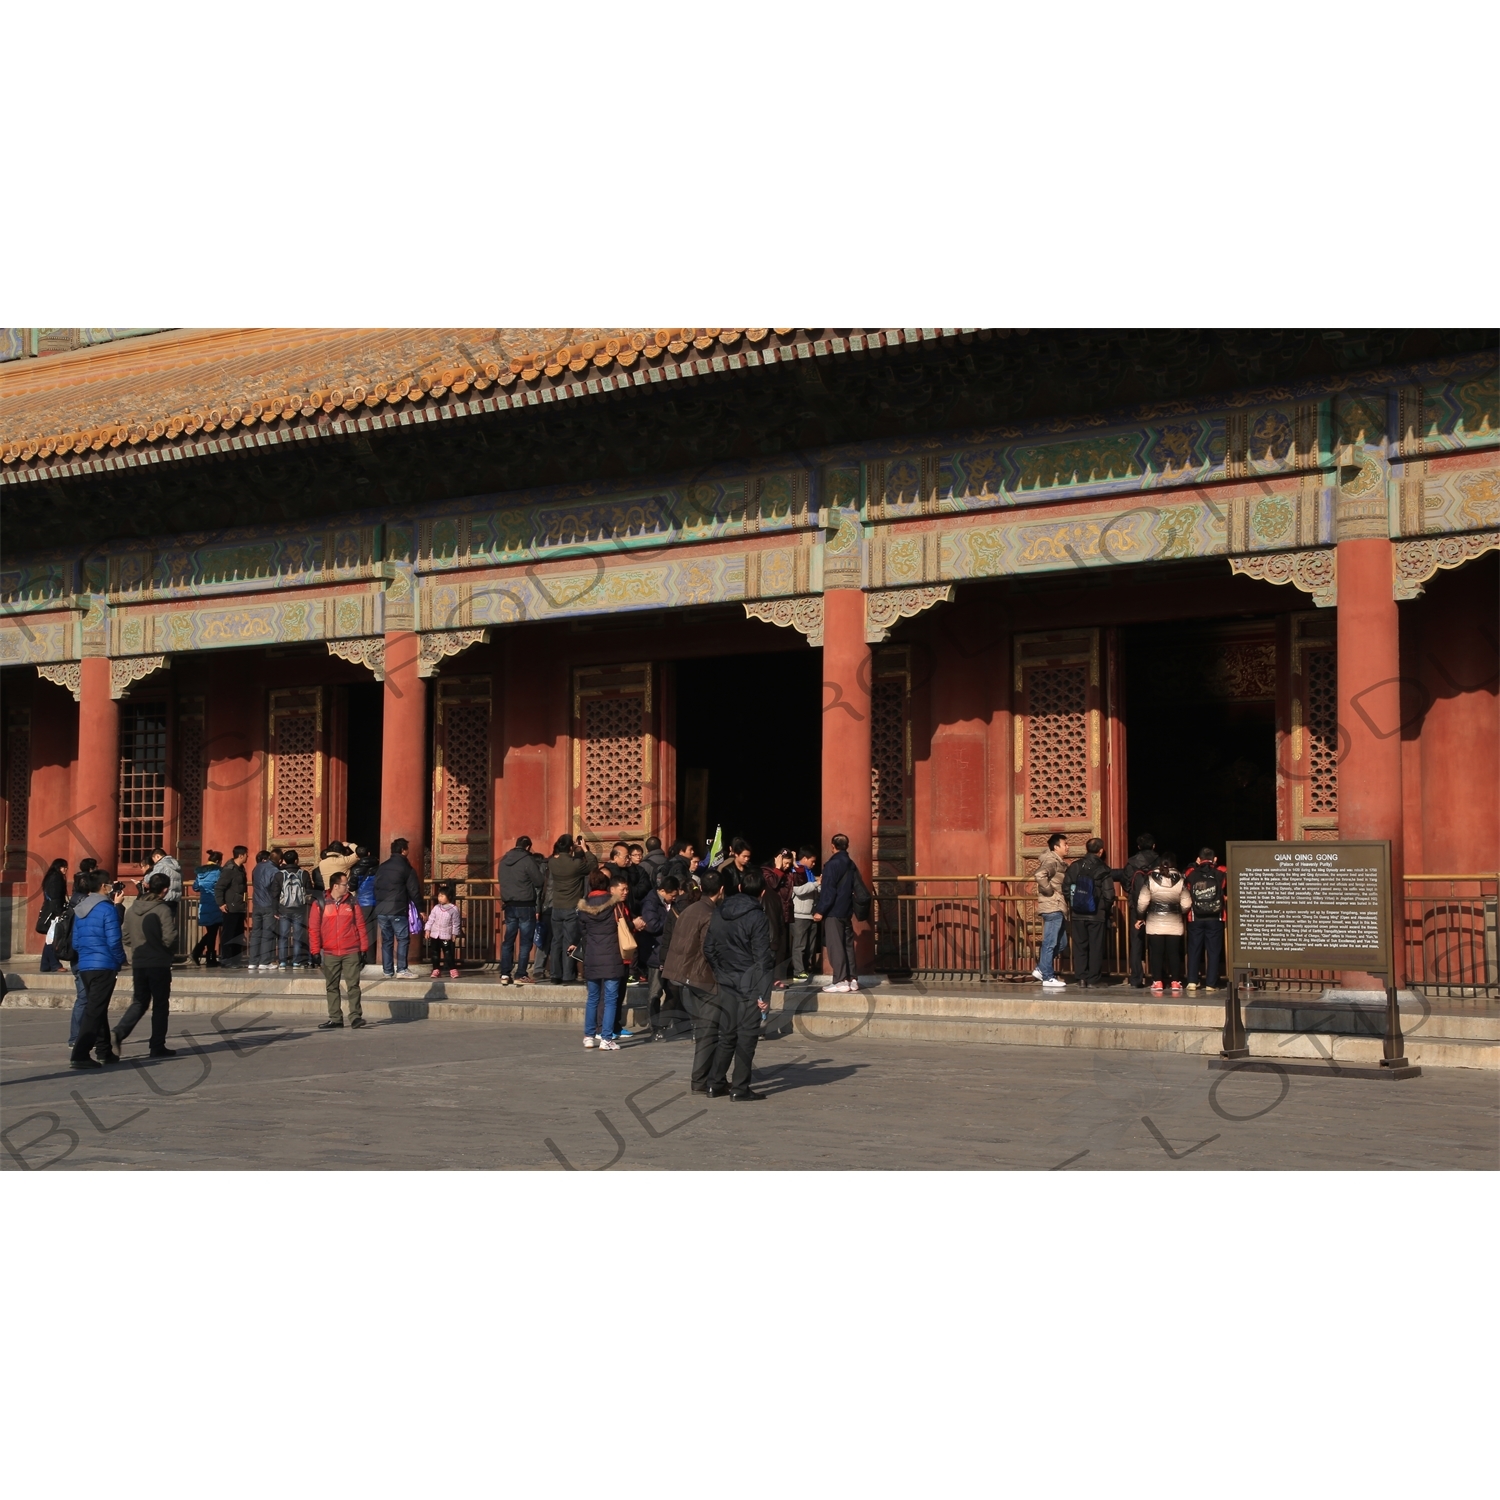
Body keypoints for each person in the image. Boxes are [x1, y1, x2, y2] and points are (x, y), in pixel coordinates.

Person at [701, 864, 773, 1100]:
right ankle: (740, 1088)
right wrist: (764, 994)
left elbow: (708, 948)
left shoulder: (720, 911)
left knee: (727, 1034)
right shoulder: (757, 917)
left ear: (740, 887)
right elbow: (763, 958)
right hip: (749, 982)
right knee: (747, 1036)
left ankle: (715, 1083)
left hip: (727, 980)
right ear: (762, 893)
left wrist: (721, 970)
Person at [664, 869, 724, 1090]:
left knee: (703, 1029)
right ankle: (700, 1080)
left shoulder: (689, 910)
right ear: (722, 890)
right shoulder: (710, 914)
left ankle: (708, 1077)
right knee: (708, 1030)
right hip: (703, 978)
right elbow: (710, 949)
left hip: (684, 976)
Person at [68, 871, 128, 1069]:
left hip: (85, 964)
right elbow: (114, 940)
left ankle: (104, 1051)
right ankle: (80, 1053)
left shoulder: (80, 909)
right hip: (104, 965)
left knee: (97, 1007)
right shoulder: (107, 909)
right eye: (109, 884)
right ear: (104, 886)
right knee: (94, 1010)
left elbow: (75, 942)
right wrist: (121, 959)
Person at [115, 871, 178, 1057]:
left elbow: (125, 936)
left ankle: (119, 1032)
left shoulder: (133, 908)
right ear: (165, 890)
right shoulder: (162, 909)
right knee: (160, 1004)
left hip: (139, 961)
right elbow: (170, 937)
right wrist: (168, 950)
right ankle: (157, 1045)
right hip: (158, 962)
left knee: (140, 1002)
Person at [311, 870, 372, 1029]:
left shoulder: (352, 902)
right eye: (345, 884)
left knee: (353, 985)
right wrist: (315, 951)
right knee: (332, 986)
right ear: (335, 886)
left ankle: (355, 1017)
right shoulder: (320, 903)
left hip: (350, 950)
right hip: (330, 952)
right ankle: (335, 1018)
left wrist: (364, 948)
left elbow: (360, 925)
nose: (348, 887)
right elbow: (313, 929)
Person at [578, 869, 629, 1050]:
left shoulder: (583, 906)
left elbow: (582, 932)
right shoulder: (614, 904)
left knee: (592, 998)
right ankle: (606, 1038)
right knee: (610, 998)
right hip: (611, 955)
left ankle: (589, 1036)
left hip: (591, 955)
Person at [1062, 837, 1119, 989]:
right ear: (1101, 851)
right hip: (1096, 914)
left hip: (1078, 913)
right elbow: (1109, 894)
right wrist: (1104, 909)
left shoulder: (1075, 866)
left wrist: (1075, 904)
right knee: (1095, 947)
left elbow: (1066, 888)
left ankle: (1081, 978)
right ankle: (1093, 979)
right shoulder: (1104, 869)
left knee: (1080, 946)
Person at [814, 833, 865, 994]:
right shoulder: (850, 864)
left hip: (834, 911)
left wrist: (820, 910)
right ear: (847, 846)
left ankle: (841, 980)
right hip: (847, 910)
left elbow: (828, 891)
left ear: (833, 846)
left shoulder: (831, 865)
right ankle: (852, 979)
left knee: (835, 945)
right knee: (847, 945)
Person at [546, 834, 596, 983]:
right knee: (568, 941)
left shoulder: (552, 863)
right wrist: (584, 848)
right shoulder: (576, 865)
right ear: (570, 848)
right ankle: (567, 975)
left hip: (556, 907)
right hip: (571, 907)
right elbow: (593, 864)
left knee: (556, 941)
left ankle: (555, 974)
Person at [497, 836, 547, 985]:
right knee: (525, 942)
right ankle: (520, 974)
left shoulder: (504, 860)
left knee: (508, 940)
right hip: (526, 904)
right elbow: (539, 881)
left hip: (509, 905)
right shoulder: (527, 860)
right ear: (527, 847)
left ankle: (505, 974)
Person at [1137, 853, 1188, 994]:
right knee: (1174, 954)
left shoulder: (1150, 879)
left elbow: (1142, 901)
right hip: (1174, 922)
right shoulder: (1181, 880)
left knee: (1157, 954)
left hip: (1155, 922)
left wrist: (1140, 916)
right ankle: (1175, 982)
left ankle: (1157, 981)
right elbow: (1186, 902)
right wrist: (1179, 911)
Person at [638, 874, 681, 1039]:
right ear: (663, 891)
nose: (673, 898)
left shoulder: (671, 904)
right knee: (655, 992)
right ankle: (654, 1026)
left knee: (673, 991)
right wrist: (672, 924)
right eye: (672, 895)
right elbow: (652, 925)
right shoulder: (651, 903)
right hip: (655, 953)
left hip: (668, 953)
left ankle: (663, 1022)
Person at [374, 837, 421, 977]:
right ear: (403, 850)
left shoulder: (382, 867)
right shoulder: (406, 868)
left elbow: (375, 886)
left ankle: (387, 971)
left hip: (382, 909)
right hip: (397, 909)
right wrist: (421, 909)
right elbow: (414, 891)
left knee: (387, 940)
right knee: (402, 939)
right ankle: (401, 969)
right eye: (407, 849)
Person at [1117, 833, 1159, 988]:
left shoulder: (1131, 863)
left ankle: (1136, 978)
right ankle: (1157, 978)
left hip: (1136, 907)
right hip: (1156, 907)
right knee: (1156, 943)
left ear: (1139, 847)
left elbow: (1125, 882)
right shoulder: (1160, 861)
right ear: (1154, 846)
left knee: (1136, 942)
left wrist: (1132, 895)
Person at [1183, 848, 1227, 991]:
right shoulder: (1221, 872)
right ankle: (1211, 983)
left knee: (1194, 949)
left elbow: (1185, 878)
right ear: (1214, 859)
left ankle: (1192, 981)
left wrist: (1196, 865)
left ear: (1198, 859)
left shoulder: (1192, 873)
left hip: (1195, 916)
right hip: (1216, 916)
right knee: (1213, 951)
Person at [1033, 832, 1070, 990]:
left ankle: (1041, 969)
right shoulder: (1051, 861)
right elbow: (1040, 874)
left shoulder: (1058, 862)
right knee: (1050, 942)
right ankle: (1047, 977)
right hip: (1052, 906)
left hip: (1058, 906)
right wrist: (1049, 891)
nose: (1067, 847)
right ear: (1056, 847)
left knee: (1062, 943)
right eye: (1065, 844)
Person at [277, 850, 313, 969]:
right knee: (298, 937)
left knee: (283, 936)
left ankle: (282, 961)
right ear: (297, 860)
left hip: (283, 909)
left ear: (284, 861)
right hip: (299, 909)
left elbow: (274, 893)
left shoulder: (279, 874)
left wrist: (275, 909)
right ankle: (296, 961)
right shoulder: (304, 874)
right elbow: (309, 891)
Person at [789, 848, 820, 982]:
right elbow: (798, 890)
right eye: (812, 861)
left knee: (810, 946)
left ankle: (806, 968)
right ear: (805, 858)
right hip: (799, 915)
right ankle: (798, 971)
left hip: (810, 914)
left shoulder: (810, 872)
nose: (814, 864)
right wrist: (816, 884)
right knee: (799, 945)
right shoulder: (795, 871)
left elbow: (815, 888)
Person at [191, 850, 224, 966]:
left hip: (204, 904)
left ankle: (199, 952)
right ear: (218, 861)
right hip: (215, 903)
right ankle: (208, 957)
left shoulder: (200, 873)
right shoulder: (219, 872)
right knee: (213, 932)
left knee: (211, 931)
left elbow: (195, 887)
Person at [217, 846, 249, 968]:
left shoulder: (241, 869)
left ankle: (236, 959)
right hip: (231, 906)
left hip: (240, 906)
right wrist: (221, 903)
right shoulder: (229, 869)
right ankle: (226, 959)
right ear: (241, 855)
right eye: (246, 854)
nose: (247, 857)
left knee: (238, 934)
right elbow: (219, 887)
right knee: (229, 934)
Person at [250, 851, 281, 971]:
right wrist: (276, 909)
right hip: (268, 904)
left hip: (257, 903)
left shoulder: (257, 867)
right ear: (279, 860)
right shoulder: (275, 871)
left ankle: (253, 961)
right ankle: (265, 961)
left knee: (256, 933)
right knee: (267, 934)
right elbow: (275, 891)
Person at [349, 845, 379, 964]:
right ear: (369, 853)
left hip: (363, 903)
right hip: (377, 902)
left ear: (357, 856)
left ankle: (366, 958)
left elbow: (352, 886)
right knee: (377, 931)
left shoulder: (355, 870)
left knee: (364, 931)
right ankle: (376, 957)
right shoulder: (379, 867)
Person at [425, 884, 464, 977]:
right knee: (435, 953)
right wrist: (427, 930)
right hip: (435, 935)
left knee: (447, 952)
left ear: (449, 897)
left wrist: (454, 934)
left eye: (442, 896)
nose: (440, 898)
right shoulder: (436, 908)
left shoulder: (453, 909)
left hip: (446, 935)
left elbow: (456, 922)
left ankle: (453, 969)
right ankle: (436, 969)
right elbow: (431, 919)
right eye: (439, 896)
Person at [38, 857, 69, 972]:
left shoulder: (51, 877)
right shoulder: (56, 879)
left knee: (50, 938)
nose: (65, 869)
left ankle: (45, 964)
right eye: (63, 867)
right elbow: (56, 897)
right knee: (54, 937)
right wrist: (59, 912)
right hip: (54, 912)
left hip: (50, 909)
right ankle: (54, 963)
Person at [146, 843, 183, 926]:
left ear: (157, 856)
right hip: (174, 899)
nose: (154, 862)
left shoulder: (161, 865)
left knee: (159, 925)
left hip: (164, 897)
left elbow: (151, 878)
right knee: (169, 924)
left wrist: (145, 878)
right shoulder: (176, 865)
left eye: (154, 859)